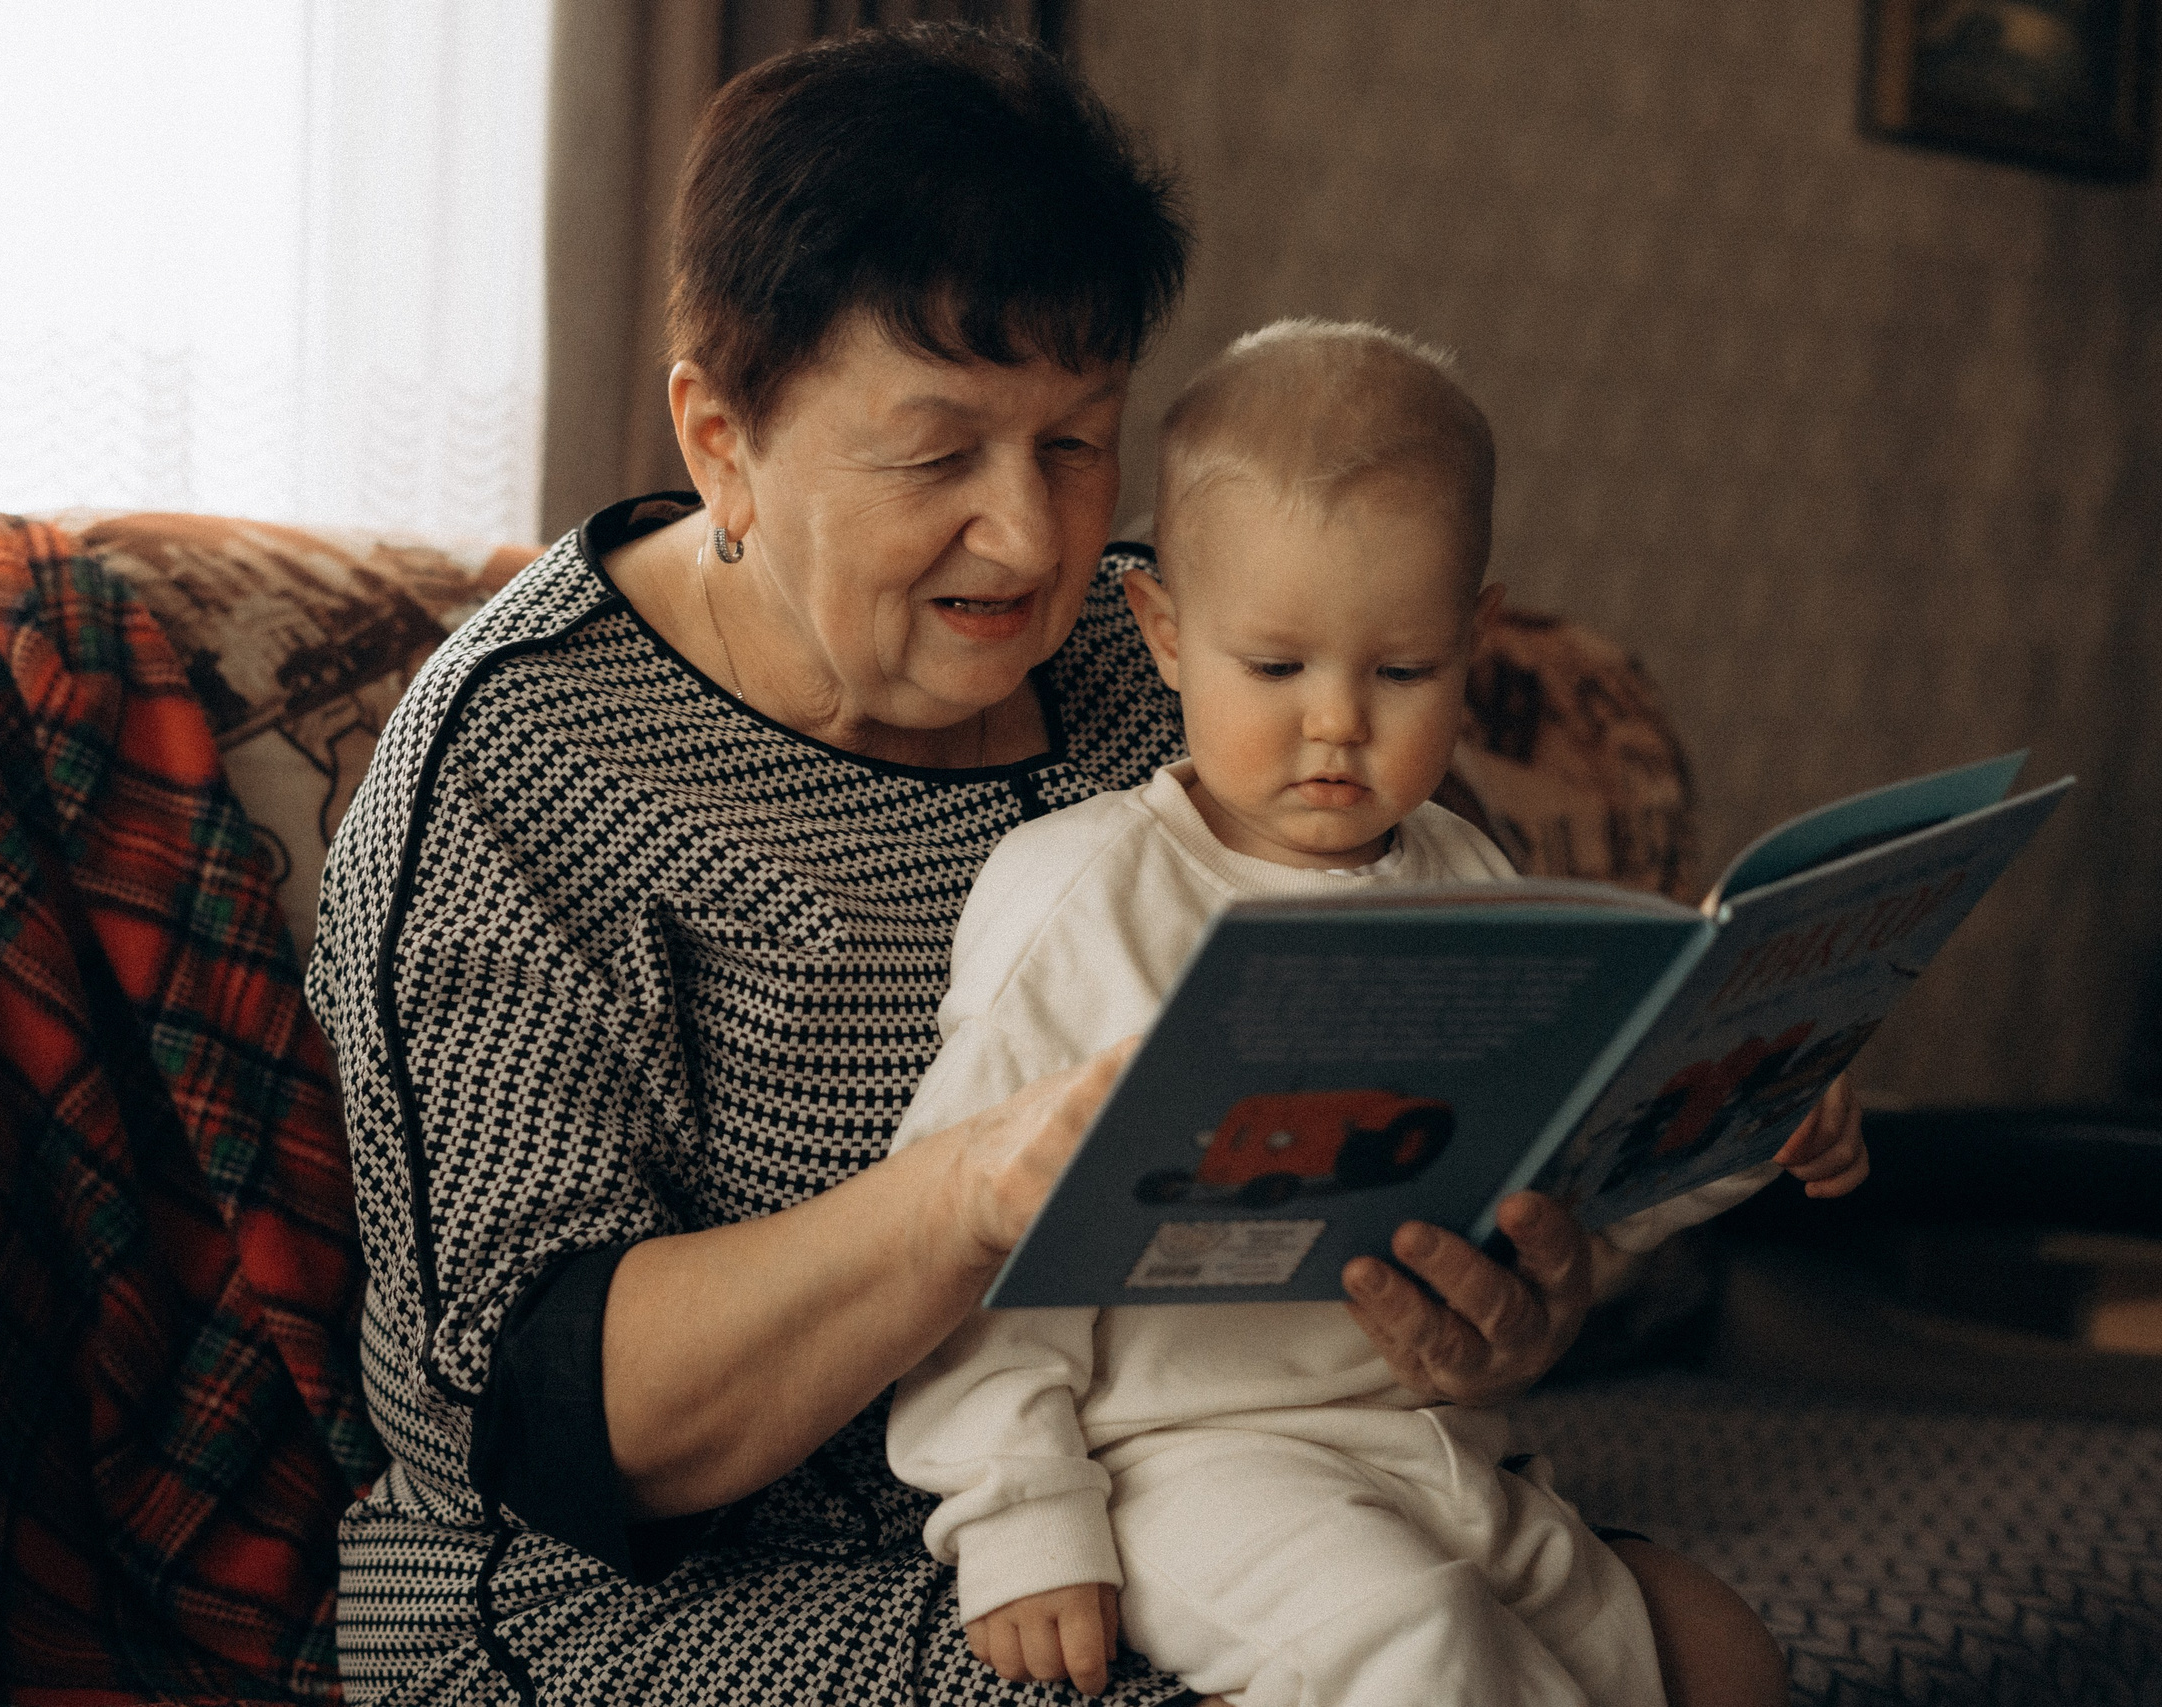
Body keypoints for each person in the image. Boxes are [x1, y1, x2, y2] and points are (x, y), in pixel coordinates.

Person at [307, 25, 1835, 1706]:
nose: (1030, 538)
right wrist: (970, 1195)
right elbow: (548, 1421)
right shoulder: (520, 761)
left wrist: (1503, 1301)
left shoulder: (1184, 657)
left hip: (1206, 1473)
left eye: (1074, 440)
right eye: (937, 451)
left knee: (1702, 1653)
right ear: (721, 437)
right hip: (662, 1592)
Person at [882, 320, 1871, 1707]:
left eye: (1401, 673)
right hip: (1190, 1462)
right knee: (1424, 1658)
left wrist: (1748, 1109)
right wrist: (1017, 1513)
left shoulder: (1471, 876)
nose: (1336, 724)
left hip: (1444, 1447)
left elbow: (1560, 1184)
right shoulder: (1086, 892)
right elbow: (963, 1233)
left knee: (1641, 1661)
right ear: (1166, 631)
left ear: (1472, 643)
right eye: (1276, 669)